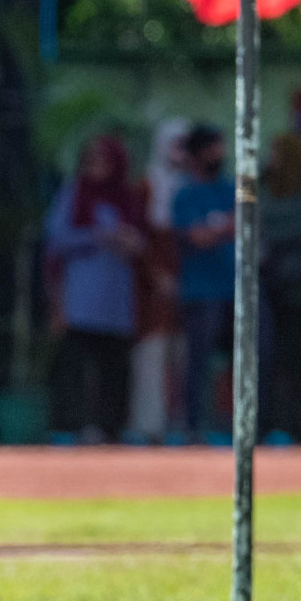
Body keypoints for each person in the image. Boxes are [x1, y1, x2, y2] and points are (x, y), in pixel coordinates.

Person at [44, 135, 145, 443]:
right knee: (76, 367)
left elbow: (143, 243)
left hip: (117, 301)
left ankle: (111, 428)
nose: (96, 167)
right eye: (91, 160)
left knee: (114, 369)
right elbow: (57, 238)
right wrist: (97, 236)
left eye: (103, 160)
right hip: (80, 299)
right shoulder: (73, 194)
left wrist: (129, 241)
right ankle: (71, 427)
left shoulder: (127, 197)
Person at [257, 131, 301, 444]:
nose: (271, 158)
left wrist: (267, 226)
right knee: (267, 357)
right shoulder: (263, 186)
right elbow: (254, 218)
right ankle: (269, 423)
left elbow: (295, 227)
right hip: (268, 285)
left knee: (299, 359)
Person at [171, 123, 235, 441]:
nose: (220, 155)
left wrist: (218, 228)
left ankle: (249, 425)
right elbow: (197, 237)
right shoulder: (185, 194)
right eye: (213, 148)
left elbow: (247, 223)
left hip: (234, 290)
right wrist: (225, 227)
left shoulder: (232, 188)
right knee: (199, 364)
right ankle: (194, 427)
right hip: (201, 292)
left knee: (252, 354)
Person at [128, 119, 188, 444]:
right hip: (152, 288)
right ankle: (148, 425)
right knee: (151, 354)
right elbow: (140, 238)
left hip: (188, 284)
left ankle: (178, 425)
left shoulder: (191, 184)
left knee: (182, 357)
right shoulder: (147, 186)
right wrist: (156, 273)